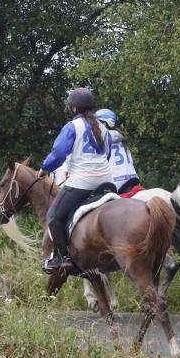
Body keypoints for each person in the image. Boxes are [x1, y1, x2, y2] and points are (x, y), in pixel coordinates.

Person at [37, 88, 112, 273]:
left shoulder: (72, 126)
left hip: (82, 182)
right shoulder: (103, 128)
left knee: (53, 216)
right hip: (106, 180)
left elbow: (59, 153)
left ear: (73, 108)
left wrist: (45, 168)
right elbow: (108, 153)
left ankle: (63, 258)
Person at [96, 108, 142, 194]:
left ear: (104, 123)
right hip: (133, 180)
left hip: (115, 184)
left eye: (97, 123)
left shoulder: (101, 141)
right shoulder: (123, 140)